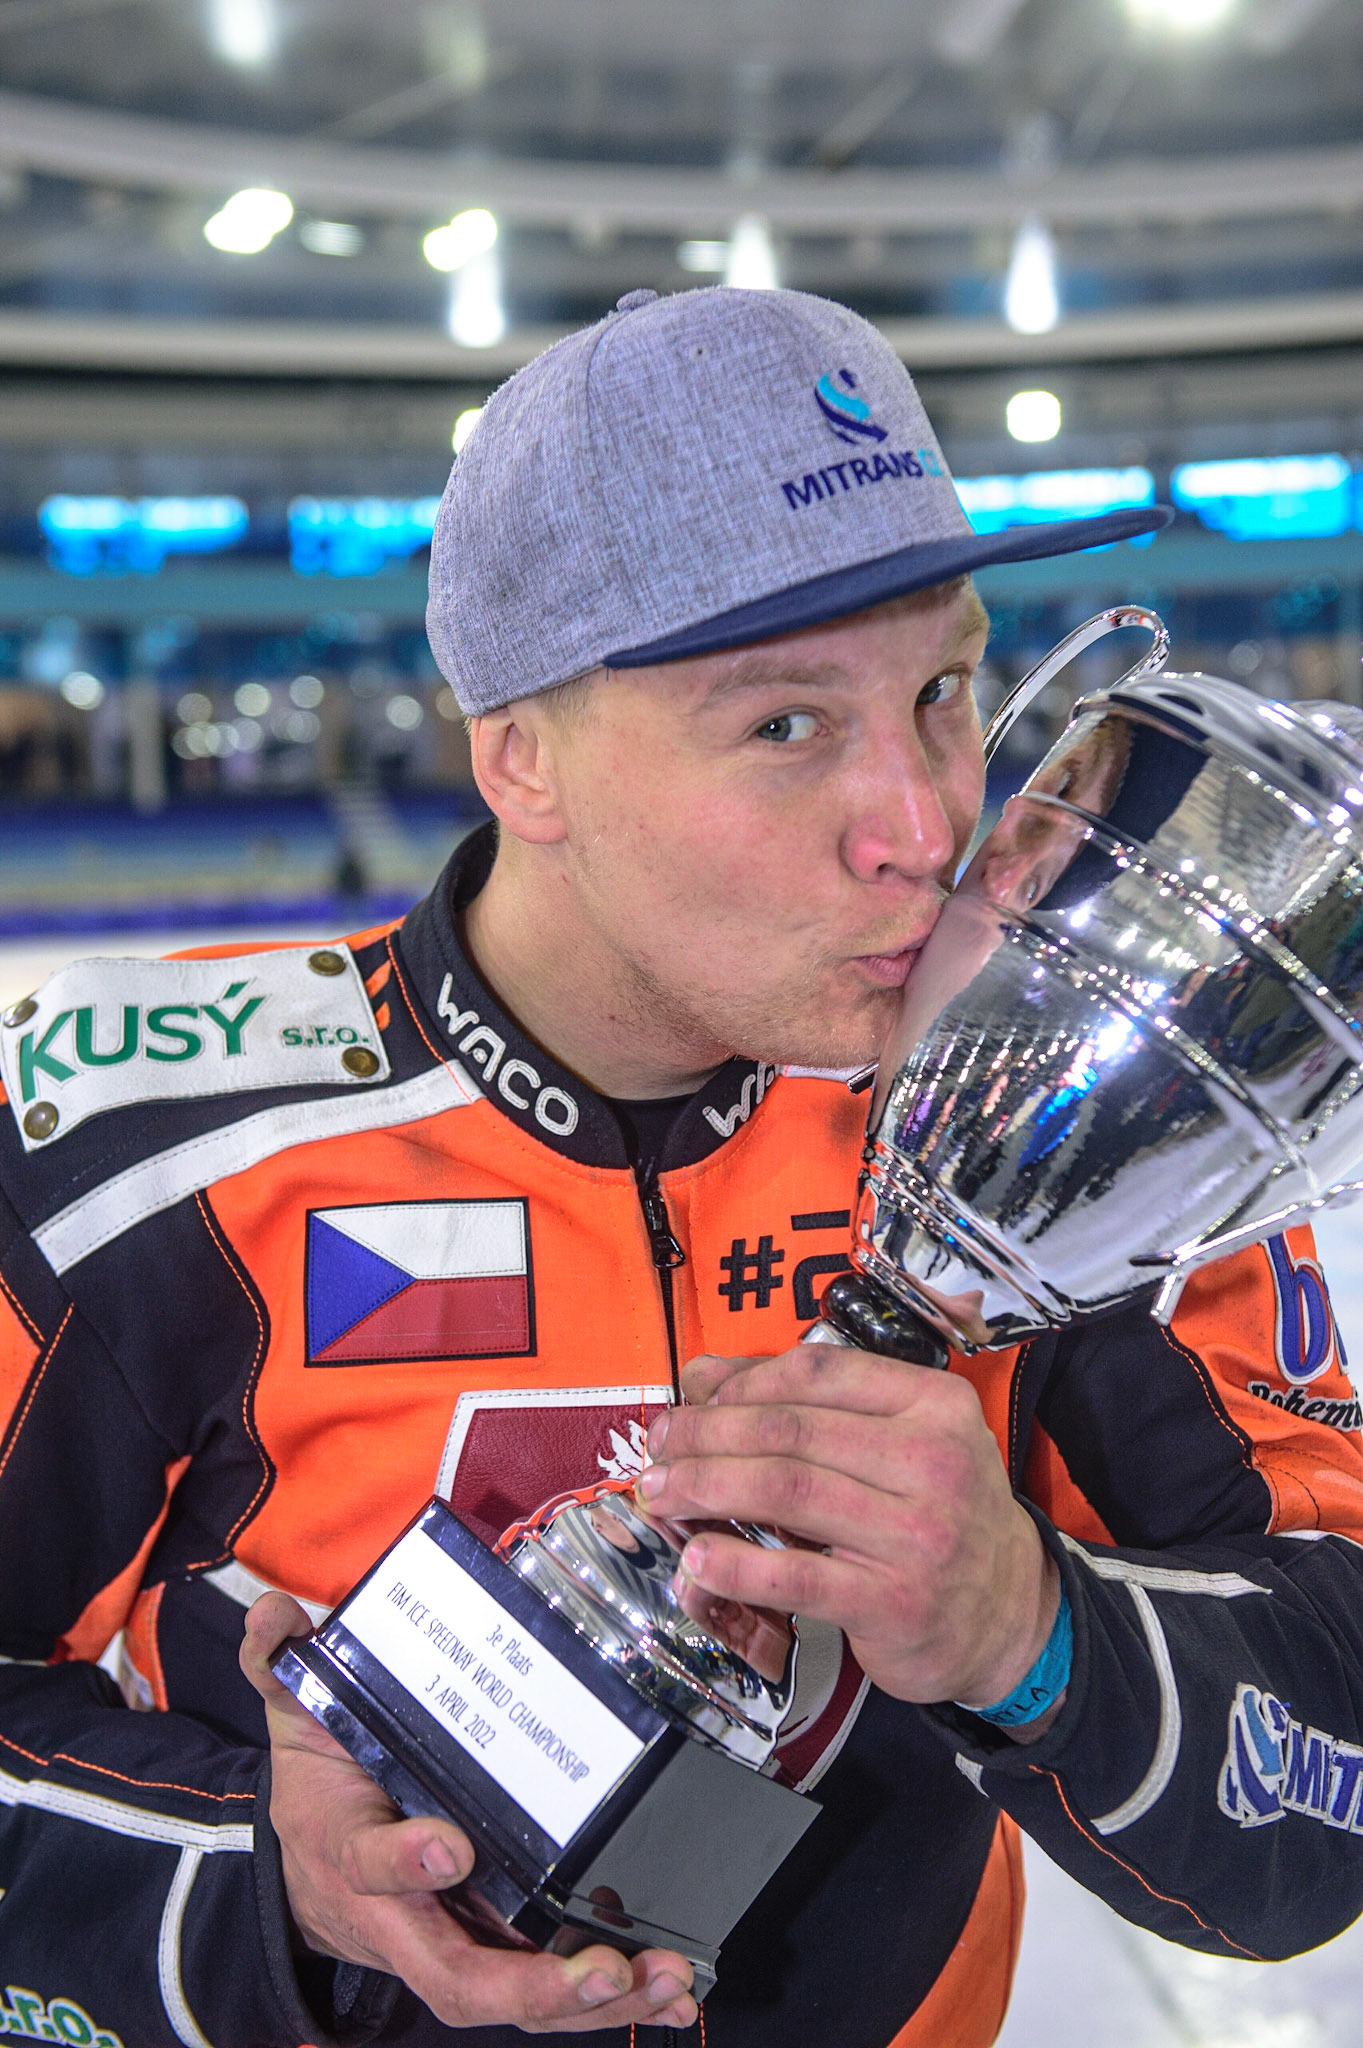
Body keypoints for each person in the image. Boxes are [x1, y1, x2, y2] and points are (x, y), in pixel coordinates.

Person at [2, 285, 1362, 2048]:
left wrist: (1031, 1631)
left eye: (944, 686)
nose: (928, 824)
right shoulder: (136, 1152)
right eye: (785, 724)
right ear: (522, 759)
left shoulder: (1088, 1123)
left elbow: (1330, 1787)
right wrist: (251, 1863)